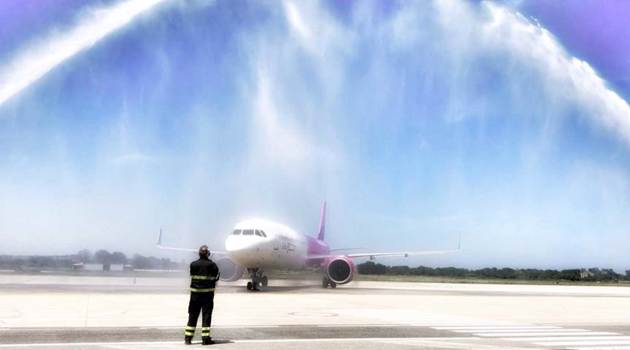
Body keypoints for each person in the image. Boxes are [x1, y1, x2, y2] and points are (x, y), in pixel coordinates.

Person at [184, 245, 220, 345]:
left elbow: (192, 274)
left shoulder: (193, 264)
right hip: (207, 296)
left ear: (199, 253)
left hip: (195, 295)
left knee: (192, 315)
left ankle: (188, 338)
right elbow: (216, 277)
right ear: (208, 254)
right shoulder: (212, 265)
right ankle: (205, 339)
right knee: (206, 316)